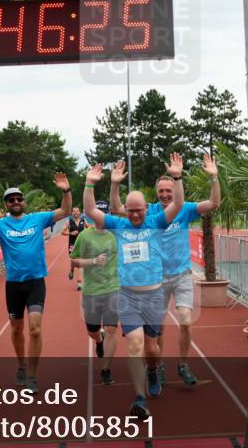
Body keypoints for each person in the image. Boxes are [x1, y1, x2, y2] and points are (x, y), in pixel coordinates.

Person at [84, 153, 184, 420]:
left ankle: (153, 370)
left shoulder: (156, 222)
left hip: (154, 297)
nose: (136, 214)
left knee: (152, 349)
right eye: (131, 210)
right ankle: (140, 398)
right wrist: (90, 184)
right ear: (125, 210)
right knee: (135, 345)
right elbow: (90, 211)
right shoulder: (118, 225)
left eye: (139, 209)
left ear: (146, 209)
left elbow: (178, 204)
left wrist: (177, 178)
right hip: (127, 297)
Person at [110, 154, 221, 387]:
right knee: (157, 329)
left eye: (168, 190)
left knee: (186, 321)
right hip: (156, 279)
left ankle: (183, 364)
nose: (164, 194)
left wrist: (213, 178)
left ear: (174, 190)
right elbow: (118, 209)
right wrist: (115, 184)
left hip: (181, 275)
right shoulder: (149, 212)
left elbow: (213, 203)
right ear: (156, 193)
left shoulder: (185, 209)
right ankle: (158, 366)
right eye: (161, 191)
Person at [0, 174, 72, 391]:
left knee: (35, 329)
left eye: (18, 199)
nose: (15, 202)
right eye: (11, 200)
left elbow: (65, 211)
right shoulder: (0, 225)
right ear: (6, 204)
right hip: (14, 285)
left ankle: (31, 376)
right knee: (16, 328)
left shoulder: (38, 219)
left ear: (24, 201)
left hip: (35, 283)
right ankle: (22, 365)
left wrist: (66, 190)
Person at [70, 201, 120, 385]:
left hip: (113, 288)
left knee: (111, 329)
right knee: (93, 331)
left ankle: (106, 369)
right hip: (92, 290)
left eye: (104, 214)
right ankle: (99, 340)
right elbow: (74, 261)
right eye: (98, 214)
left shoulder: (116, 234)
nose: (101, 218)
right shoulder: (84, 236)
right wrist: (93, 261)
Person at [63, 207, 87, 288]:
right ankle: (72, 270)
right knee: (73, 260)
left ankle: (79, 282)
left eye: (77, 211)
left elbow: (89, 228)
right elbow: (62, 232)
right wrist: (71, 233)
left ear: (79, 212)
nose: (76, 212)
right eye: (74, 211)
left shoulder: (83, 221)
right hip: (72, 244)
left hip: (82, 244)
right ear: (72, 213)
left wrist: (86, 233)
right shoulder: (69, 222)